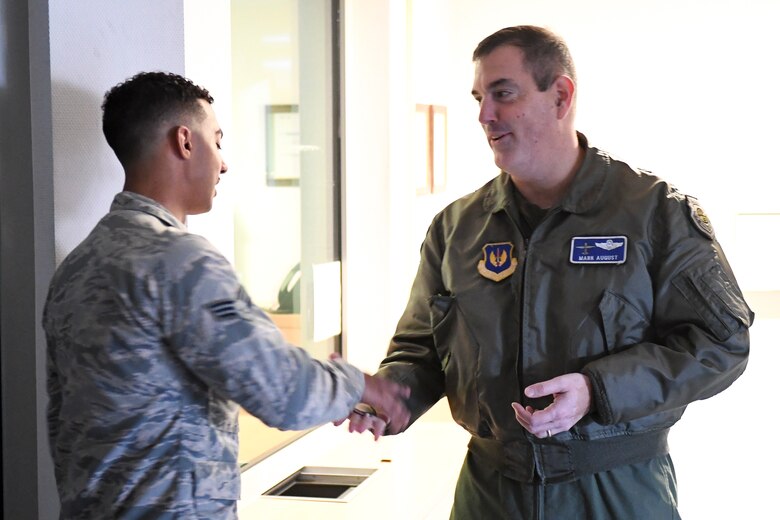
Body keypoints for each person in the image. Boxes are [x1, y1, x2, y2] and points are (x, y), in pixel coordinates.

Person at [343, 25, 752, 518]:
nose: (484, 115)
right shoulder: (457, 229)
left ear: (560, 96)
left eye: (502, 94)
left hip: (617, 492)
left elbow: (721, 342)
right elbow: (421, 349)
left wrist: (597, 390)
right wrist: (394, 396)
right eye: (478, 98)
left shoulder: (655, 214)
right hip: (489, 494)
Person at [42, 71, 410, 519]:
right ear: (184, 142)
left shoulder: (76, 267)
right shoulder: (178, 258)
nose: (223, 162)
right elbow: (280, 391)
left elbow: (62, 421)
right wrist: (360, 384)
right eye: (216, 140)